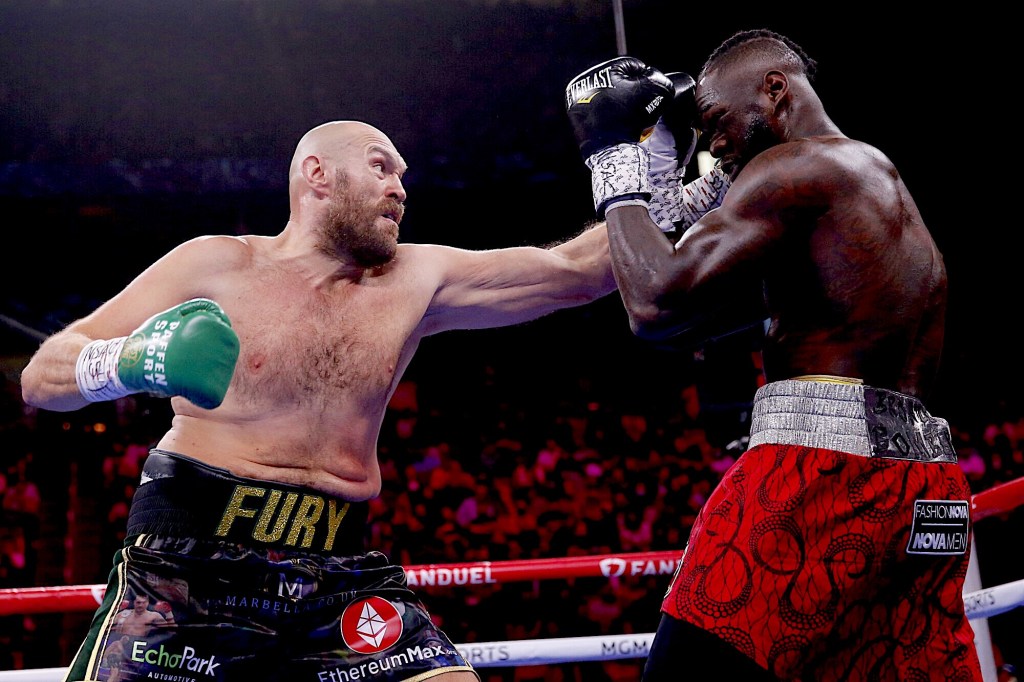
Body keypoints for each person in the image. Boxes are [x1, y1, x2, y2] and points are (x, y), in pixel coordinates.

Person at [20, 119, 619, 681]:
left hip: (339, 574)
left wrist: (650, 173)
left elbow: (576, 272)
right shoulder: (218, 264)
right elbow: (42, 377)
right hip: (190, 568)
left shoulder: (417, 278)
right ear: (318, 174)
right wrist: (134, 360)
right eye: (381, 167)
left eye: (402, 176)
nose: (399, 189)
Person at [564, 30, 983, 680]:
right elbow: (684, 301)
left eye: (718, 122)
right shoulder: (864, 182)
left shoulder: (795, 169)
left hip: (823, 473)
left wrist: (612, 154)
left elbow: (653, 305)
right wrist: (664, 157)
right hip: (927, 489)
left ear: (775, 90)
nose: (717, 146)